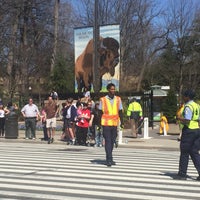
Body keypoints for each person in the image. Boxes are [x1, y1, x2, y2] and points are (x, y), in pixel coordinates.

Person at [175, 89, 200, 180]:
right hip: (197, 130)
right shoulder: (197, 105)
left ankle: (182, 173)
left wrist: (179, 118)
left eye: (184, 96)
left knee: (184, 152)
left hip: (189, 131)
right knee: (194, 152)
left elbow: (187, 120)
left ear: (187, 97)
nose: (183, 97)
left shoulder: (188, 106)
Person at [98, 83, 124, 167]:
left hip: (114, 123)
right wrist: (98, 124)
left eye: (114, 89)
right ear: (108, 90)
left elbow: (120, 111)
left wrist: (122, 122)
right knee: (108, 141)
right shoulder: (103, 99)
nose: (113, 90)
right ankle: (109, 159)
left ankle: (109, 156)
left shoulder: (118, 99)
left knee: (112, 141)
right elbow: (99, 112)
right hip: (106, 124)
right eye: (112, 89)